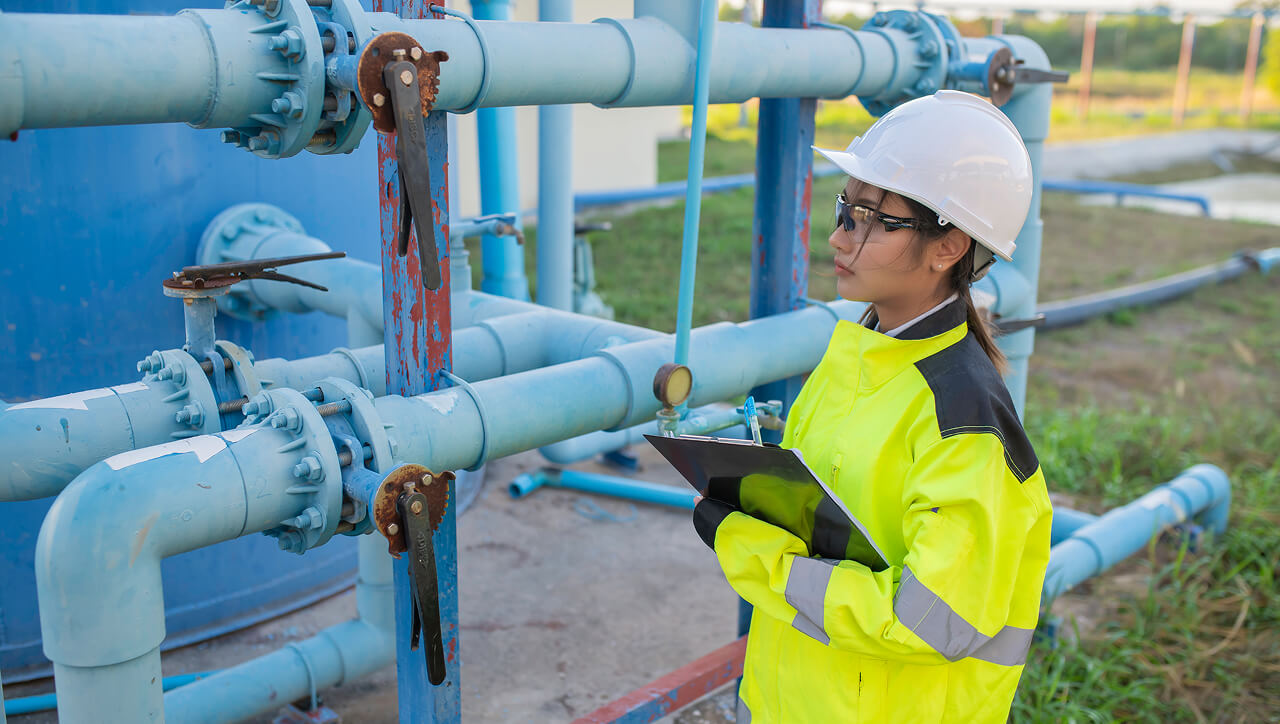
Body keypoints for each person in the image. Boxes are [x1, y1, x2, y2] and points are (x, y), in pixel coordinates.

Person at [692, 91, 1053, 723]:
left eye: (877, 221)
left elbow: (927, 621)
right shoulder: (859, 356)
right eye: (846, 211)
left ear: (948, 247)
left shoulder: (964, 420)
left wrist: (753, 551)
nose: (839, 237)